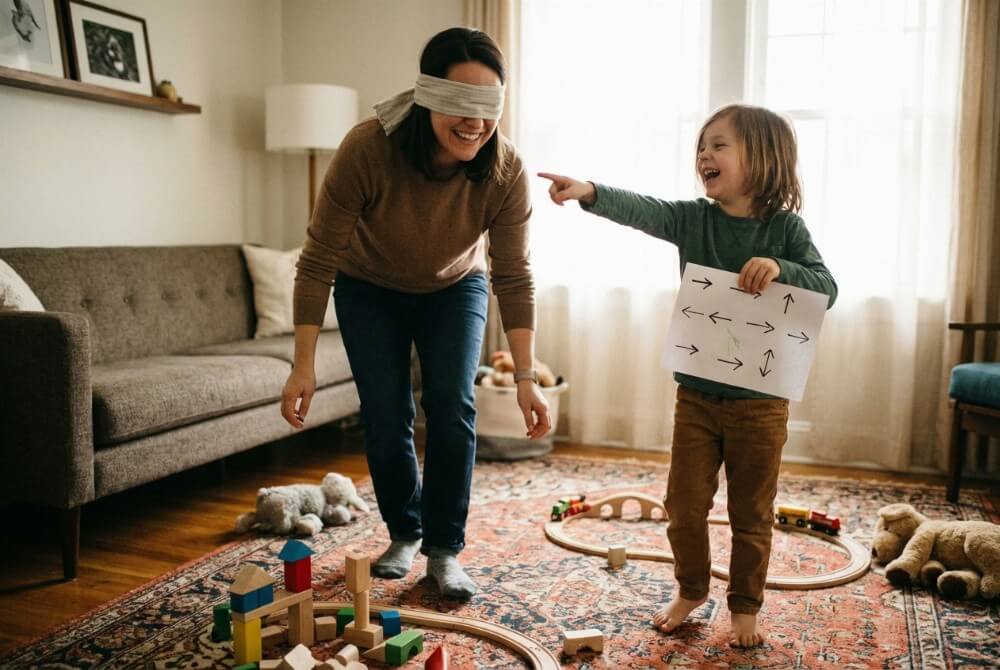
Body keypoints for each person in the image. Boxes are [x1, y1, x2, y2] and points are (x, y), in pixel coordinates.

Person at [539, 104, 837, 647]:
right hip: (697, 397)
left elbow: (826, 287)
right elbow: (643, 210)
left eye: (719, 145)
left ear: (762, 159)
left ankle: (745, 606)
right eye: (702, 146)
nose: (705, 154)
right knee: (683, 507)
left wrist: (781, 269)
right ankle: (692, 587)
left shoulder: (787, 228)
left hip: (761, 405)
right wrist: (588, 191)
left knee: (751, 513)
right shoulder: (694, 220)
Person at [281, 27, 550, 600]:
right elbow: (317, 260)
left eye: (489, 107)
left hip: (456, 285)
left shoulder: (505, 170)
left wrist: (526, 379)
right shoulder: (367, 148)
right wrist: (301, 365)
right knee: (385, 413)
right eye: (460, 104)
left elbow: (514, 275)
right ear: (427, 95)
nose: (475, 122)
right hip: (368, 285)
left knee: (452, 405)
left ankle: (443, 550)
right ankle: (405, 532)